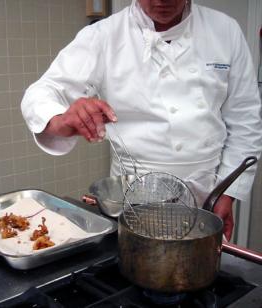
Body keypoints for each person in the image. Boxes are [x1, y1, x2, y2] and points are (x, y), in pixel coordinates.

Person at [21, 0, 262, 241]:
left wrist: (228, 193)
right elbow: (41, 92)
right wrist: (61, 120)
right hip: (133, 199)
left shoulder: (225, 30)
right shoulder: (104, 35)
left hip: (207, 197)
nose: (161, 0)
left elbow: (245, 117)